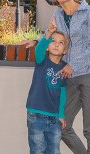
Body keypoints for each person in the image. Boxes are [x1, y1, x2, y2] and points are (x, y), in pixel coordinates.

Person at [22, 0, 90, 154]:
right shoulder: (58, 15)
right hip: (69, 77)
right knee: (62, 124)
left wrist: (73, 65)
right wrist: (37, 40)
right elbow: (53, 36)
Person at [25, 16, 69, 154]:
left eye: (61, 43)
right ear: (48, 46)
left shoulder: (65, 68)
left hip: (54, 117)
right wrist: (48, 33)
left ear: (65, 50)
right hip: (36, 114)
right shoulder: (41, 61)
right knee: (38, 150)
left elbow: (63, 92)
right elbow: (39, 49)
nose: (56, 44)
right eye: (53, 41)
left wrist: (61, 114)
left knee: (54, 150)